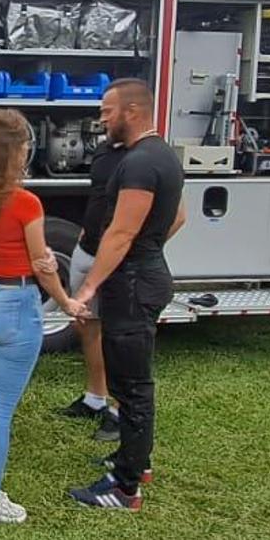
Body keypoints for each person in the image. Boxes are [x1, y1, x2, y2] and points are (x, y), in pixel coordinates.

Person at [0, 109, 84, 524]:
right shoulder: (25, 203)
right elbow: (42, 263)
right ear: (17, 152)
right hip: (13, 303)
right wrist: (66, 302)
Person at [67, 78, 185, 511]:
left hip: (133, 284)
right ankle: (136, 462)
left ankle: (124, 488)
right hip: (144, 274)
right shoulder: (160, 155)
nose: (102, 119)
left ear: (132, 111)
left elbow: (120, 233)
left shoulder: (140, 163)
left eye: (107, 111)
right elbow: (175, 217)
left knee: (132, 387)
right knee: (131, 383)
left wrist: (89, 286)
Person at [55, 137, 129, 442]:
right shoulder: (103, 151)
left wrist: (142, 248)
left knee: (122, 335)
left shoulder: (148, 158)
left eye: (109, 114)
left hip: (120, 259)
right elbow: (98, 198)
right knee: (85, 324)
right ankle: (95, 398)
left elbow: (176, 215)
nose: (104, 118)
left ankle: (120, 410)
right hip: (86, 250)